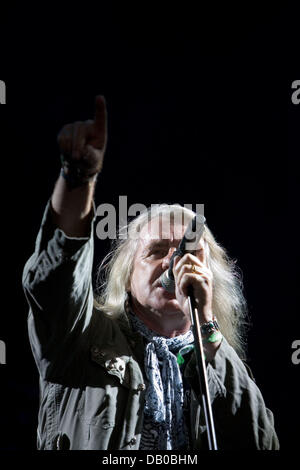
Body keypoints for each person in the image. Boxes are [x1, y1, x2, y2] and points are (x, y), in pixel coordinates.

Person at [22, 96, 279, 451]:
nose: (175, 263)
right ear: (127, 276)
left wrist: (206, 327)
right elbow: (55, 280)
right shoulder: (81, 342)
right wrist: (78, 179)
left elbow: (260, 442)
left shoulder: (221, 363)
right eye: (157, 251)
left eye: (188, 253)